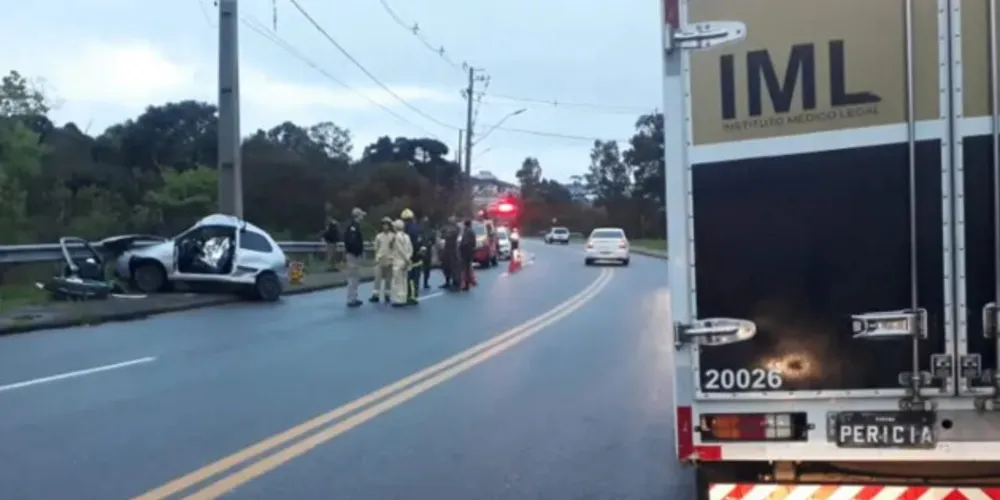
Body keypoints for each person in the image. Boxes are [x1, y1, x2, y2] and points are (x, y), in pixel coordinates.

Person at [343, 207, 366, 308]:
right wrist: (357, 252)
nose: (362, 217)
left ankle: (353, 297)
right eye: (361, 215)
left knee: (355, 276)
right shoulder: (353, 227)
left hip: (353, 254)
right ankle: (351, 298)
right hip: (353, 255)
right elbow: (352, 242)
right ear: (358, 215)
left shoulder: (355, 226)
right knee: (353, 276)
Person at [369, 217, 395, 304]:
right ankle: (375, 295)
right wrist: (376, 258)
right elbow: (376, 248)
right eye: (384, 224)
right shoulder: (379, 236)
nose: (385, 226)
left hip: (390, 259)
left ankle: (387, 295)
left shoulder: (393, 236)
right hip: (380, 259)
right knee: (377, 278)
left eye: (387, 224)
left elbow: (395, 248)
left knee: (388, 279)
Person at [400, 208, 423, 305]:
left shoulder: (406, 230)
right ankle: (413, 295)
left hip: (410, 256)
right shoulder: (417, 228)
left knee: (410, 278)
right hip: (418, 256)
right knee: (415, 278)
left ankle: (411, 296)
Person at [390, 219, 412, 307]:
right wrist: (408, 258)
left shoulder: (397, 237)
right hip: (405, 261)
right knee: (404, 280)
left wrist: (405, 258)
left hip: (398, 260)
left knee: (397, 281)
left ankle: (399, 299)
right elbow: (410, 248)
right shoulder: (407, 236)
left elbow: (399, 249)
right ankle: (403, 297)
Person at [438, 215, 461, 290]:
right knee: (445, 265)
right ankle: (447, 281)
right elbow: (441, 234)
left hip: (453, 248)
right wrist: (446, 235)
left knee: (454, 266)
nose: (451, 220)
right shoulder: (446, 227)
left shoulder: (457, 227)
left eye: (452, 219)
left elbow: (453, 235)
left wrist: (447, 235)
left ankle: (456, 283)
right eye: (450, 219)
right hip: (447, 247)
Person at [459, 219, 477, 291]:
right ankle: (469, 282)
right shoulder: (472, 231)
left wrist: (460, 248)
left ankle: (466, 284)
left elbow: (465, 242)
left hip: (466, 251)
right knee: (468, 267)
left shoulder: (467, 232)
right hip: (470, 251)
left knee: (465, 268)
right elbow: (474, 243)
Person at [420, 216, 436, 289]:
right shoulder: (420, 231)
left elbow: (433, 241)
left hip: (428, 251)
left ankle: (425, 282)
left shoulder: (431, 231)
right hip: (420, 251)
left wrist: (431, 243)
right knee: (419, 268)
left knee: (427, 268)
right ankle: (419, 282)